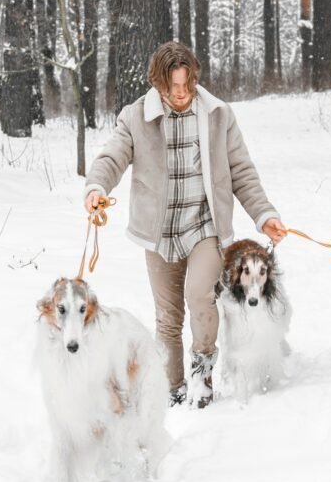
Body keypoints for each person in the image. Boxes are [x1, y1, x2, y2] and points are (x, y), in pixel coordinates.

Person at [85, 42, 287, 408]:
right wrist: (97, 186)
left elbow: (241, 170)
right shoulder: (136, 117)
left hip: (204, 226)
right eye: (171, 87)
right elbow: (112, 156)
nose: (180, 94)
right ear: (157, 82)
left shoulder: (218, 115)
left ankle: (203, 370)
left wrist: (264, 214)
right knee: (168, 317)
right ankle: (173, 387)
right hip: (158, 232)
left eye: (186, 85)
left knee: (199, 294)